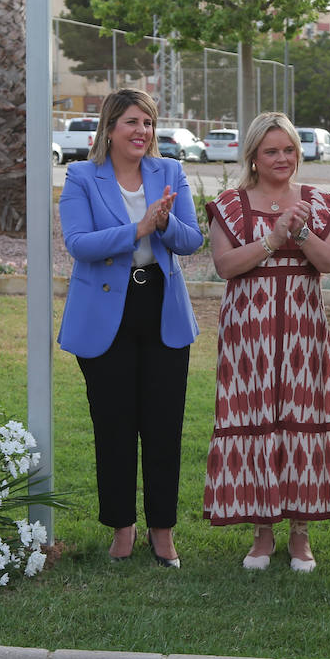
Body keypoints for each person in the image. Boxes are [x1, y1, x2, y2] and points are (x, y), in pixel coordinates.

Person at [202, 112, 330, 572]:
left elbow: (328, 262)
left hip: (301, 330)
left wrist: (302, 231)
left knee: (301, 418)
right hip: (247, 332)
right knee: (254, 418)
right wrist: (273, 238)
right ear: (253, 155)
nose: (281, 158)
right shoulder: (230, 204)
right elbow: (225, 266)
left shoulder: (318, 202)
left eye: (289, 149)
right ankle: (262, 532)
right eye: (271, 150)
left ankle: (300, 534)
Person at [57, 89, 202, 568]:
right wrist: (138, 228)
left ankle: (163, 531)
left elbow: (192, 240)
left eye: (148, 122)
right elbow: (79, 243)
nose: (142, 131)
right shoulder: (81, 176)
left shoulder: (170, 172)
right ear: (110, 127)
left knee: (164, 426)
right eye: (132, 122)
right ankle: (122, 527)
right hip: (105, 316)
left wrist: (163, 225)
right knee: (113, 425)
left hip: (162, 310)